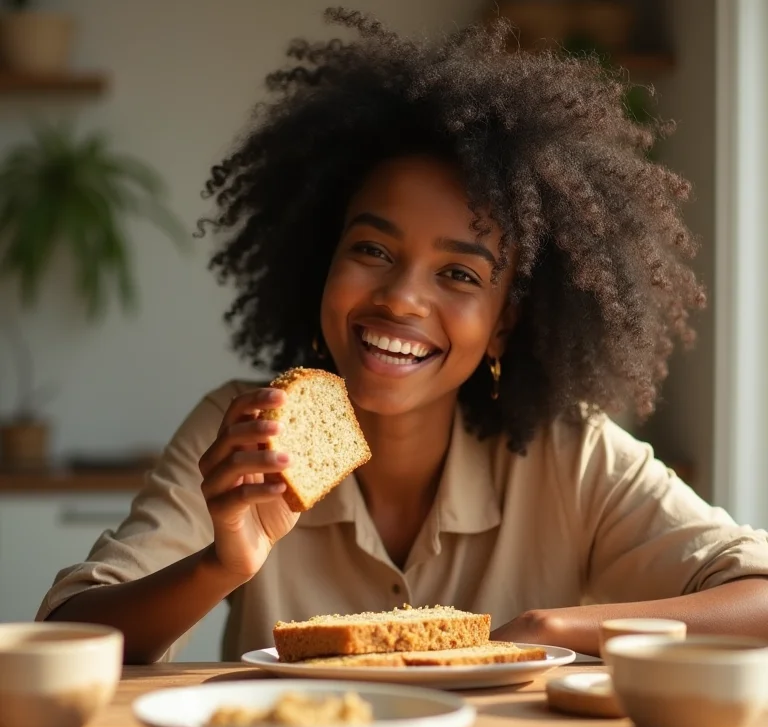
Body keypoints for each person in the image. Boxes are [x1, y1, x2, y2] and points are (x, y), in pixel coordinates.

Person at [37, 8, 768, 663]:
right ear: (323, 260)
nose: (401, 299)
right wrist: (220, 564)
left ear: (506, 321)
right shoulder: (245, 433)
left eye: (459, 274)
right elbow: (68, 637)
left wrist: (552, 630)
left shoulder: (569, 454)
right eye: (374, 251)